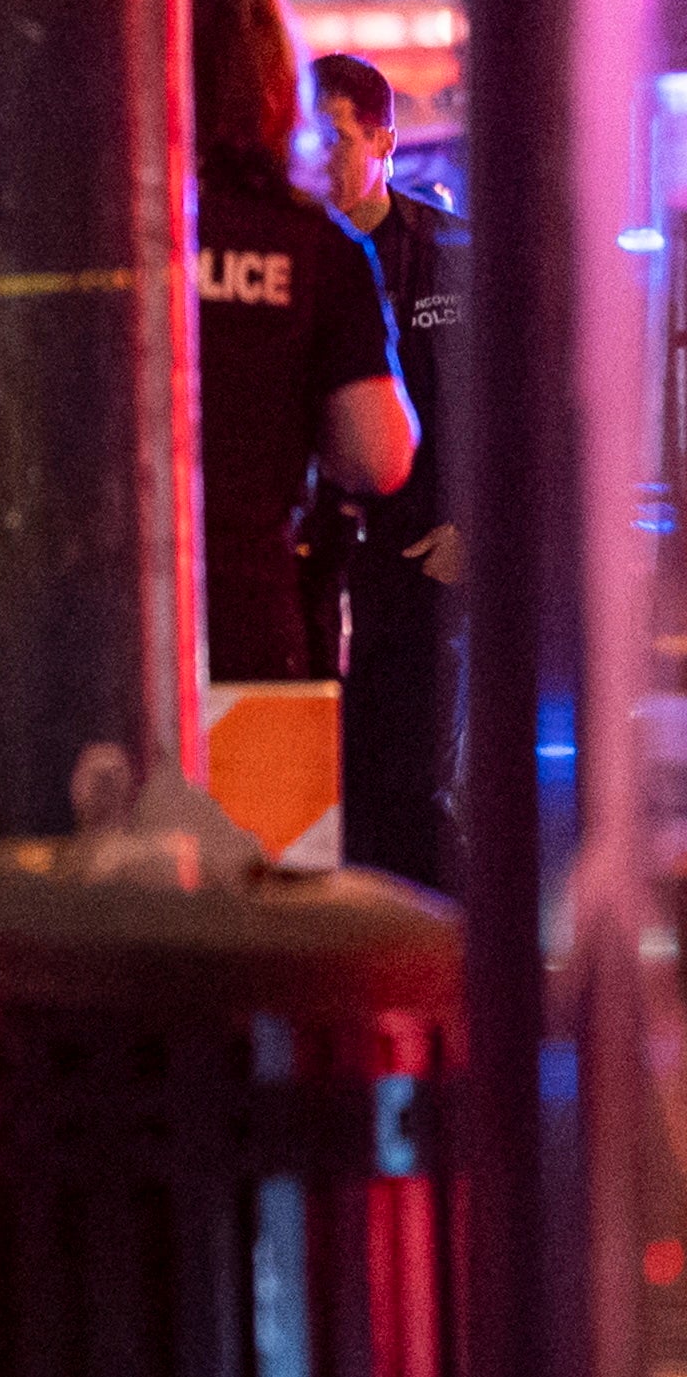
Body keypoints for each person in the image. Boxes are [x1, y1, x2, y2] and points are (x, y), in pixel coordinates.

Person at [185, 0, 415, 684]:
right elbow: (378, 455)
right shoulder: (315, 245)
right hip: (246, 617)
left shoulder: (84, 229)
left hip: (85, 625)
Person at [311, 49, 466, 891]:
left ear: (384, 141)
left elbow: (497, 402)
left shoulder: (445, 253)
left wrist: (472, 532)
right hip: (327, 570)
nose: (316, 156)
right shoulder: (303, 256)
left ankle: (469, 968)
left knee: (409, 793)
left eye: (334, 136)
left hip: (418, 563)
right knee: (331, 795)